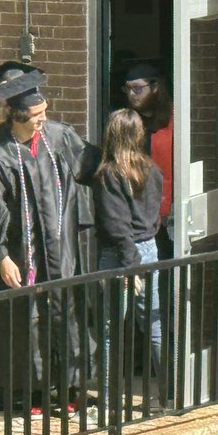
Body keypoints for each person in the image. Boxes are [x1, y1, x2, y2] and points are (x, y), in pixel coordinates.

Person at [0, 65, 101, 414]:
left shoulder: (59, 137)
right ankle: (32, 395)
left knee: (69, 313)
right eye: (36, 115)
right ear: (16, 116)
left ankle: (73, 390)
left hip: (62, 249)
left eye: (45, 112)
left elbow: (95, 168)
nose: (43, 120)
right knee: (27, 321)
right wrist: (1, 257)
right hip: (22, 252)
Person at [93, 108, 164, 406]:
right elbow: (155, 216)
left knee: (111, 331)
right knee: (154, 324)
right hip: (148, 249)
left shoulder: (109, 175)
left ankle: (109, 402)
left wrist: (130, 267)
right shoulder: (152, 170)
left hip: (121, 257)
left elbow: (117, 225)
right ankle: (169, 394)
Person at [121, 61, 174, 258]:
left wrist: (162, 208)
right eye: (127, 89)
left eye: (137, 88)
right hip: (135, 213)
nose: (131, 94)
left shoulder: (175, 119)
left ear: (155, 87)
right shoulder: (126, 122)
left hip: (168, 211)